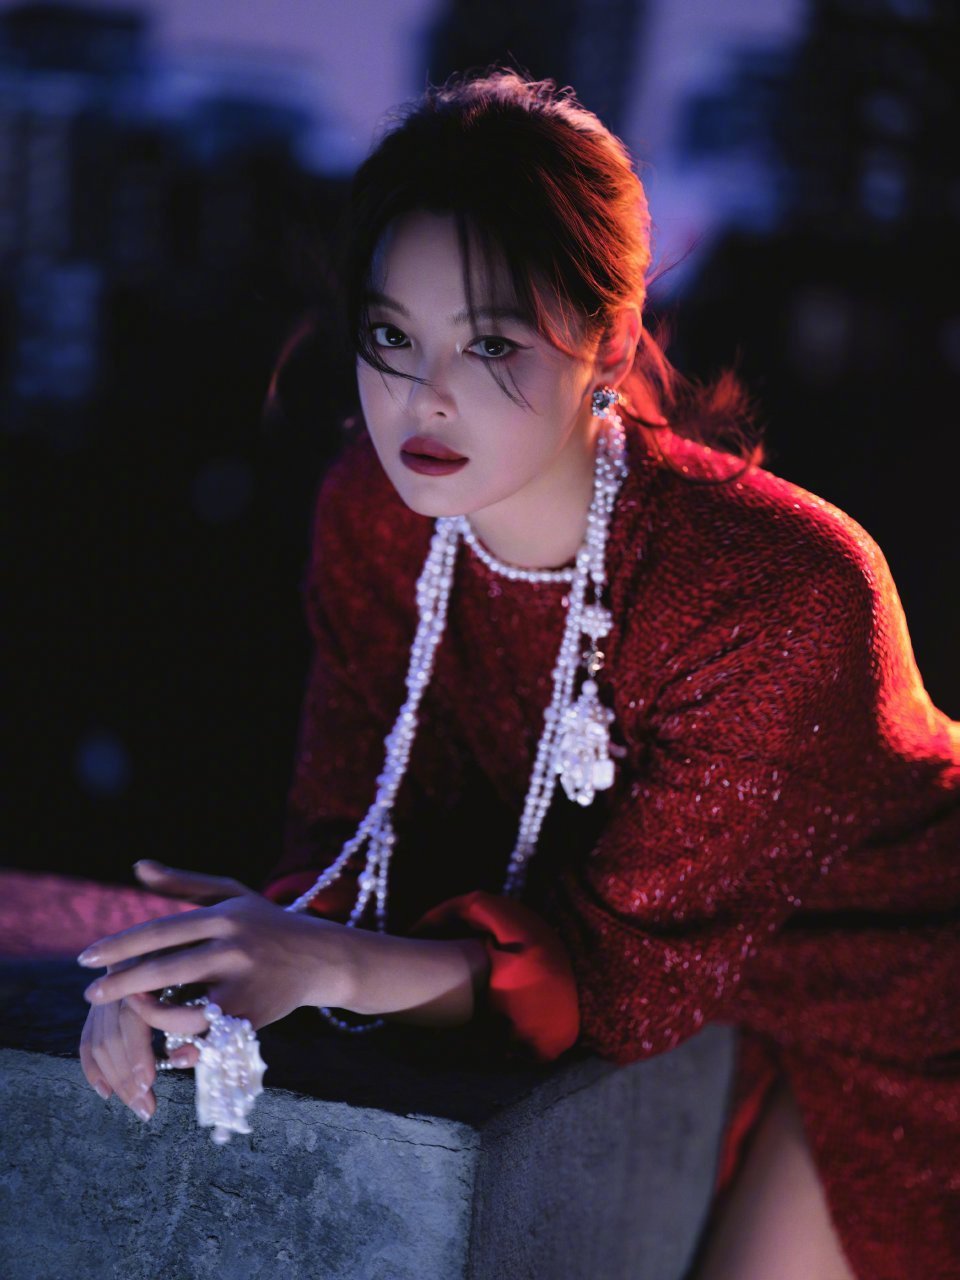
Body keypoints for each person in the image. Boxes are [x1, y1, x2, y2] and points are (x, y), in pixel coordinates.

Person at [77, 68, 959, 1279]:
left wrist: (323, 956)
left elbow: (617, 987)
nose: (421, 399)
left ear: (610, 343)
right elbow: (356, 830)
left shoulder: (779, 592)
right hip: (707, 999)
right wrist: (219, 958)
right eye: (392, 337)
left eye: (489, 342)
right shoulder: (378, 516)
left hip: (907, 1002)